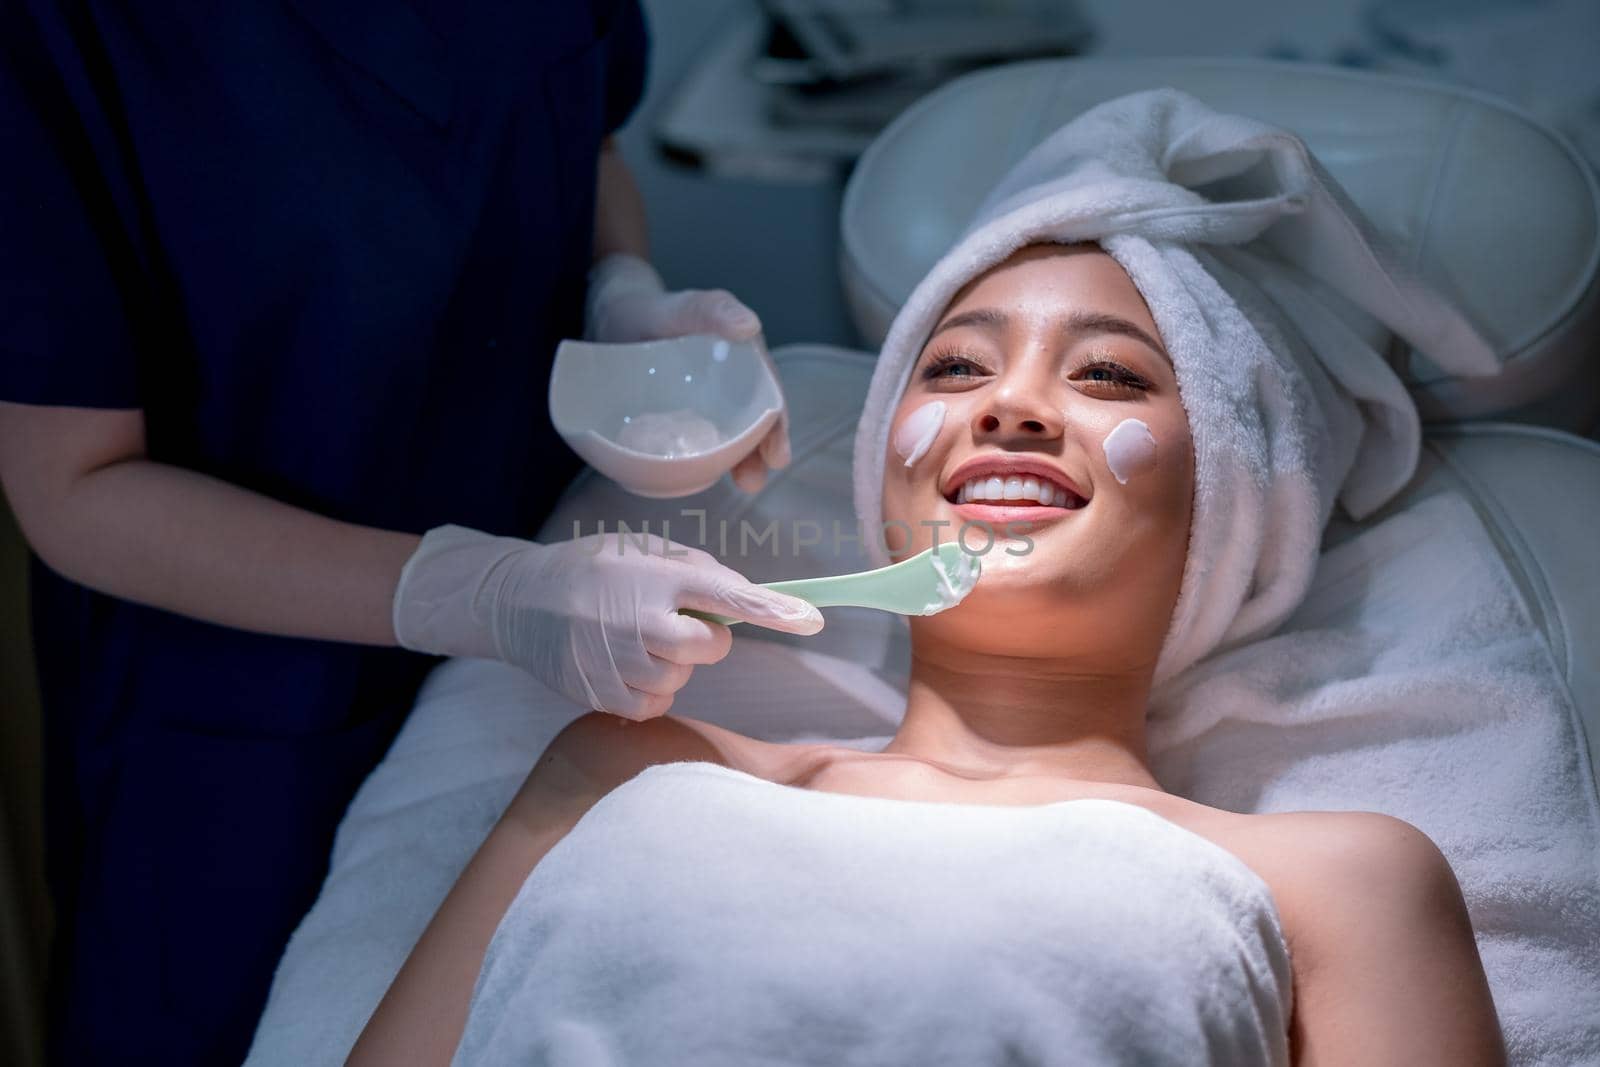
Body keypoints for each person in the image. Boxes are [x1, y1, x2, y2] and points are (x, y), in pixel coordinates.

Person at [348, 242, 1507, 1065]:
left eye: (1107, 373)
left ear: (1233, 511)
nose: (1010, 403)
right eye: (955, 366)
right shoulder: (622, 762)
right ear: (885, 489)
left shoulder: (1343, 881)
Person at [0, 2, 819, 1062]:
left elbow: (585, 137)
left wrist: (621, 291)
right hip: (236, 717)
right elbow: (73, 488)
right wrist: (476, 592)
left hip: (545, 606)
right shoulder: (73, 41)